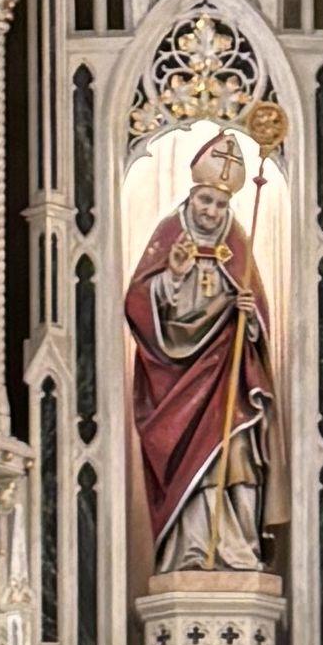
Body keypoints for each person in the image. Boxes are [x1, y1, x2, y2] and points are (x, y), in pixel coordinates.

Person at [122, 130, 277, 575]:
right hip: (173, 379)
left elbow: (257, 316)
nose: (212, 211)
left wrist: (250, 316)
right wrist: (171, 278)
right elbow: (138, 303)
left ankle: (238, 551)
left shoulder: (239, 242)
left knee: (237, 463)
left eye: (221, 203)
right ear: (192, 196)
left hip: (226, 374)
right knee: (189, 466)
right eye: (206, 200)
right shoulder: (169, 234)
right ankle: (189, 552)